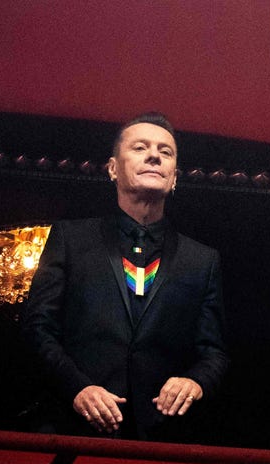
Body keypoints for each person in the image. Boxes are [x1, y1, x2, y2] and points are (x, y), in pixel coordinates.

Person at [20, 112, 228, 442]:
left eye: (166, 151)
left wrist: (196, 382)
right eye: (140, 147)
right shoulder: (70, 239)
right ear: (114, 168)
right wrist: (78, 388)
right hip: (74, 430)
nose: (154, 155)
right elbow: (37, 328)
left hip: (162, 437)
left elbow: (213, 352)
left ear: (174, 177)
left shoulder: (202, 259)